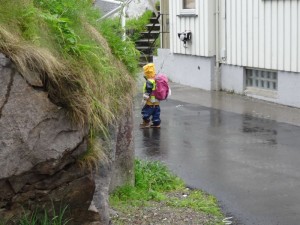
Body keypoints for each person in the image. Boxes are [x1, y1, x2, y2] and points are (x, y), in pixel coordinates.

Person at [140, 63, 161, 128]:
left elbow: (148, 91)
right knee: (156, 113)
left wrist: (144, 99)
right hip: (157, 101)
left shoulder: (149, 81)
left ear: (147, 73)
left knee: (145, 112)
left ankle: (146, 123)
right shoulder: (157, 80)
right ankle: (156, 123)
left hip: (150, 101)